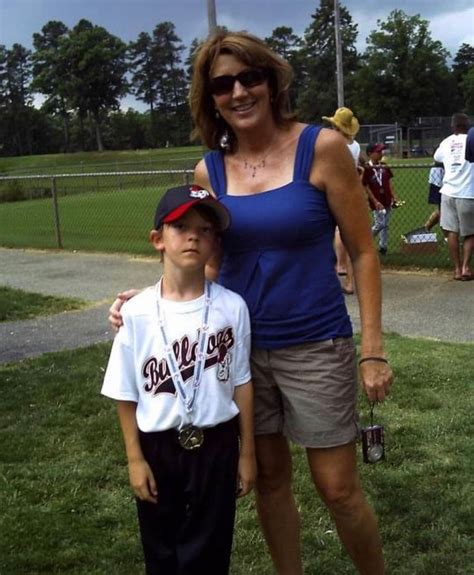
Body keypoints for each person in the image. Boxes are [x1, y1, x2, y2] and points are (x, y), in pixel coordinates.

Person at [110, 31, 393, 575]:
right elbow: (206, 264)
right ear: (209, 97)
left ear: (271, 80)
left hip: (316, 343)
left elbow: (361, 250)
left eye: (249, 77)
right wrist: (152, 295)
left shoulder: (323, 147)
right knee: (269, 480)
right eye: (222, 84)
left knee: (338, 488)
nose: (238, 91)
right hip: (236, 354)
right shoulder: (208, 172)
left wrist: (373, 348)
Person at [102, 184, 256, 574]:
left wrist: (247, 453)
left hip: (218, 442)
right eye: (181, 226)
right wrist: (135, 458)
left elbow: (242, 382)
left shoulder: (231, 307)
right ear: (158, 239)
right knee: (162, 550)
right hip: (158, 445)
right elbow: (125, 391)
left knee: (212, 547)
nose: (194, 236)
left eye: (206, 230)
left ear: (215, 242)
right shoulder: (136, 313)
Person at [322, 107, 362, 295]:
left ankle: (336, 267)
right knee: (351, 237)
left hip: (331, 191)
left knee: (328, 234)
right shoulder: (355, 146)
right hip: (351, 191)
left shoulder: (333, 144)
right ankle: (350, 282)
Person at [434, 113, 474, 281]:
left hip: (448, 191)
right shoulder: (471, 140)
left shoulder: (446, 142)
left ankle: (456, 269)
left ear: (453, 127)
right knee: (470, 233)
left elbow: (437, 157)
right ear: (468, 126)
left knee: (452, 232)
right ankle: (466, 267)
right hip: (468, 192)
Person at [363, 143, 399, 256]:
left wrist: (394, 197)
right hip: (376, 200)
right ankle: (365, 242)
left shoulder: (384, 165)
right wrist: (375, 201)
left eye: (381, 152)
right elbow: (365, 186)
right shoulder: (367, 168)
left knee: (386, 224)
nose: (380, 154)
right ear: (370, 154)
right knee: (380, 223)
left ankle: (383, 247)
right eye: (378, 152)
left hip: (386, 198)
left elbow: (389, 182)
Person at [424, 161, 445, 231]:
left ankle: (426, 228)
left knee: (443, 209)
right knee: (443, 209)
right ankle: (447, 236)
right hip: (440, 176)